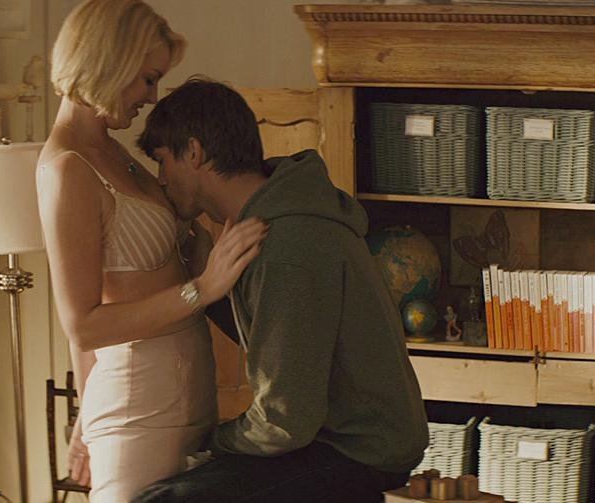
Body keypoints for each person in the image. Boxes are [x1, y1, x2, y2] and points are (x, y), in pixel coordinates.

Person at [132, 77, 430, 503]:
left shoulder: (286, 244)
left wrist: (210, 442)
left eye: (163, 161)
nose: (161, 179)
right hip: (339, 439)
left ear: (194, 152)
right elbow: (282, 340)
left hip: (358, 450)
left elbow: (286, 421)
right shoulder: (273, 218)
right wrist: (206, 275)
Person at [35, 3, 267, 502]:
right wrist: (202, 289)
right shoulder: (67, 169)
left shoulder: (114, 152)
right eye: (147, 79)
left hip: (190, 398)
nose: (152, 96)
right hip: (137, 410)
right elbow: (83, 325)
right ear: (109, 61)